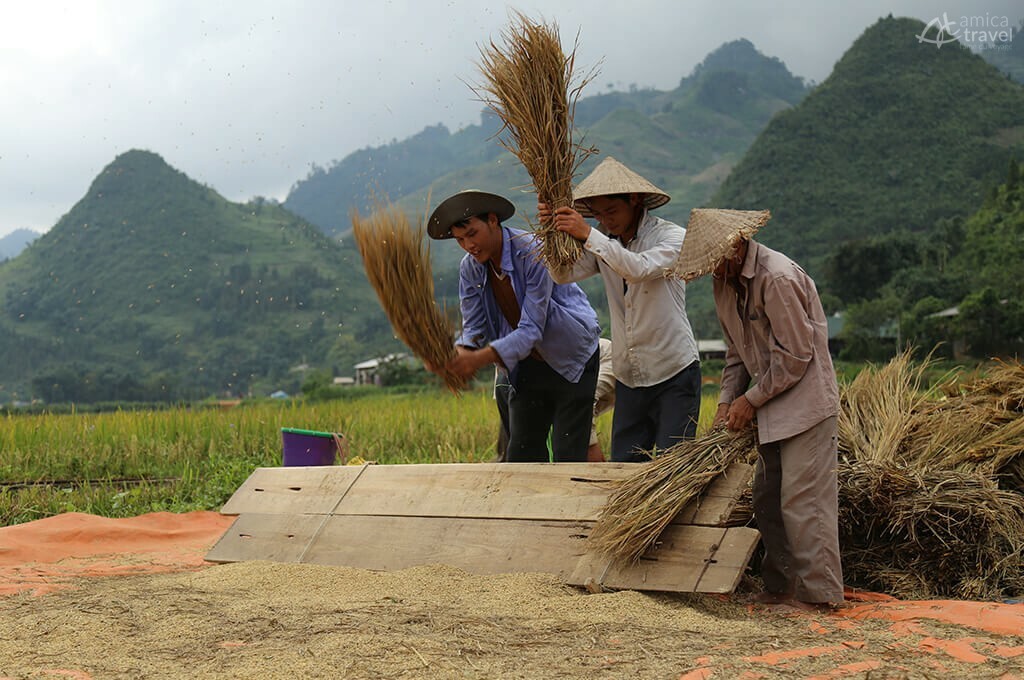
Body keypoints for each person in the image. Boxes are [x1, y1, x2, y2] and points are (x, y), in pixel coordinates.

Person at [673, 207, 844, 611]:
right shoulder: (726, 282)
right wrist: (727, 402)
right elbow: (737, 353)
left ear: (734, 248)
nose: (711, 273)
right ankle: (781, 587)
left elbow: (796, 354)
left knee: (804, 502)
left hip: (805, 406)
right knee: (767, 498)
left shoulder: (777, 277)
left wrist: (751, 400)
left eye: (714, 264)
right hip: (769, 409)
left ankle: (819, 597)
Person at [538, 156, 700, 463]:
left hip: (673, 370)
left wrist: (588, 233)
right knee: (624, 467)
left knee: (673, 469)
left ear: (635, 200)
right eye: (599, 215)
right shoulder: (603, 241)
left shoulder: (672, 237)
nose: (606, 220)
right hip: (630, 376)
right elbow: (563, 274)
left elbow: (637, 268)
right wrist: (551, 230)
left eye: (612, 211)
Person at [427, 190, 601, 463]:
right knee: (522, 452)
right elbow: (473, 327)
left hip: (572, 356)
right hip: (526, 363)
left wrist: (477, 359)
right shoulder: (470, 268)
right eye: (460, 240)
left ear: (493, 220)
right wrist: (459, 353)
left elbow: (532, 330)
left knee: (568, 451)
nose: (468, 245)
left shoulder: (533, 251)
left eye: (472, 234)